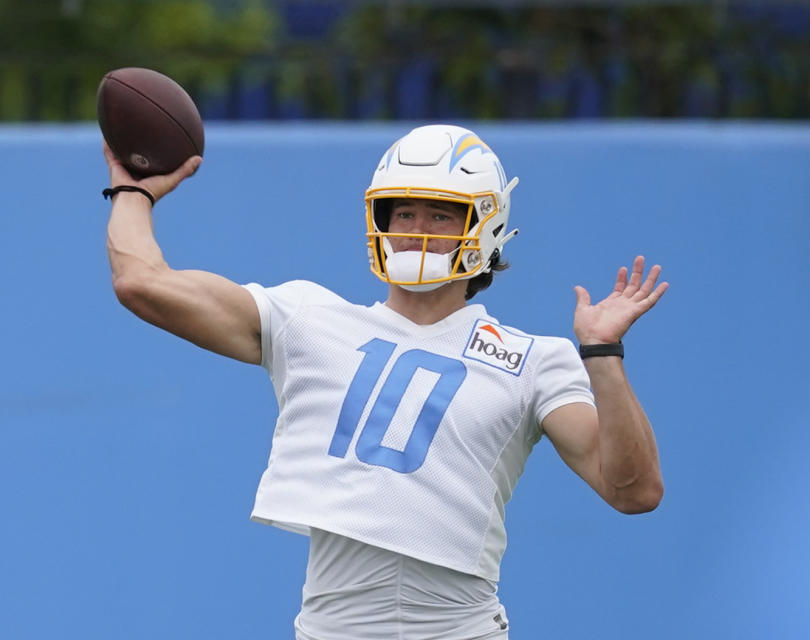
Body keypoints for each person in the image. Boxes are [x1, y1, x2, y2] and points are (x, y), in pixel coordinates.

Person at [102, 124, 667, 640]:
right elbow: (142, 283)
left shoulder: (532, 358)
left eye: (441, 215)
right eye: (403, 214)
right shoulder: (308, 319)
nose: (417, 230)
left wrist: (602, 354)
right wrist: (133, 192)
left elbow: (633, 492)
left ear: (485, 226)